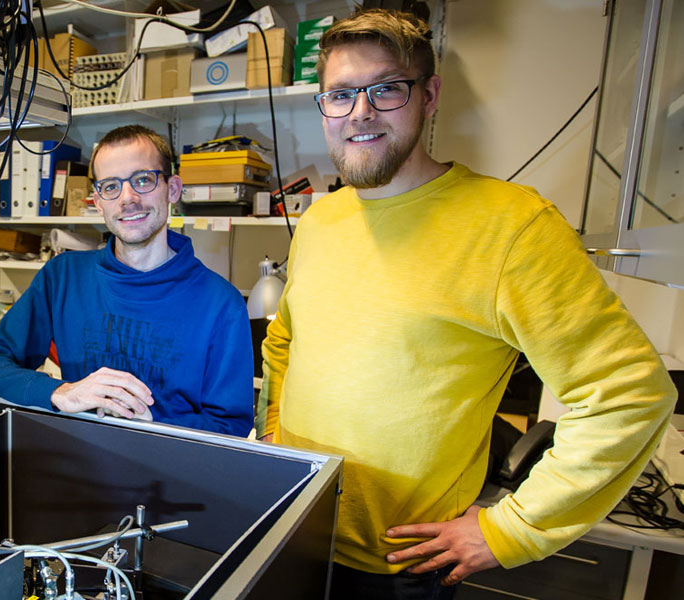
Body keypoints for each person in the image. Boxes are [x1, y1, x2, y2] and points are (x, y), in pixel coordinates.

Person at [255, 8, 677, 599]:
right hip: (293, 525)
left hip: (400, 563)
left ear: (429, 95)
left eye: (385, 89)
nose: (360, 113)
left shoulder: (513, 226)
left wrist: (512, 529)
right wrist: (271, 436)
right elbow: (285, 342)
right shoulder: (321, 218)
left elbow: (629, 395)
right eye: (341, 94)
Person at [0, 125, 254, 437]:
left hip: (173, 476)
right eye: (110, 187)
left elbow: (231, 428)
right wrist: (62, 392)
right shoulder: (62, 277)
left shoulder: (221, 303)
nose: (127, 199)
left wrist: (155, 427)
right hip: (76, 470)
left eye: (142, 180)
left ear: (172, 189)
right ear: (97, 200)